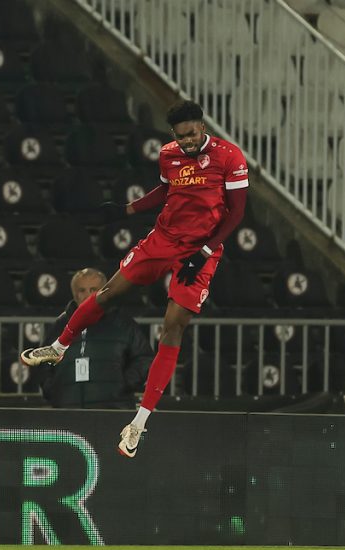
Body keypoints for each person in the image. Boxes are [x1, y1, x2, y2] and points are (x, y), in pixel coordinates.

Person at [19, 100, 248, 458]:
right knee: (108, 291)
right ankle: (58, 348)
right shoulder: (169, 154)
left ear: (202, 127)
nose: (188, 141)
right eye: (181, 135)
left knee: (173, 326)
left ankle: (138, 422)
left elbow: (237, 214)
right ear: (173, 134)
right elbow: (165, 191)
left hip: (201, 248)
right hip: (162, 239)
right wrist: (126, 210)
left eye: (193, 134)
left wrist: (203, 253)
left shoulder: (230, 157)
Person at [38, 268, 151, 409]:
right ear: (74, 294)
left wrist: (123, 385)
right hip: (67, 410)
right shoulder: (59, 325)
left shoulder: (123, 324)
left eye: (93, 290)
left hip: (113, 410)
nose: (87, 295)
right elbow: (44, 362)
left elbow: (144, 358)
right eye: (82, 290)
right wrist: (53, 389)